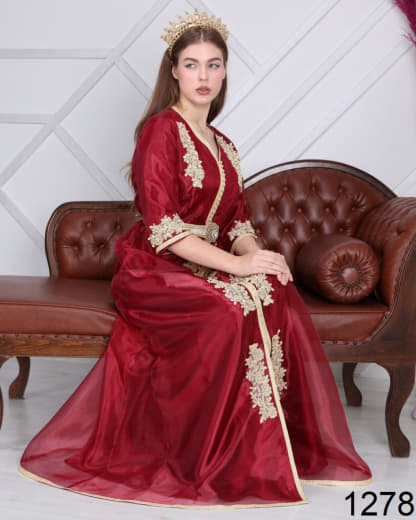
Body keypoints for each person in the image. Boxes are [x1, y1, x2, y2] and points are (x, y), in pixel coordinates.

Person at [19, 9, 371, 508]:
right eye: (191, 64)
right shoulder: (160, 131)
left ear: (224, 72)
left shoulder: (224, 145)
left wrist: (259, 257)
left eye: (213, 64)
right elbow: (163, 229)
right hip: (153, 268)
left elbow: (237, 224)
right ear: (174, 71)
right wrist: (238, 267)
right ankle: (200, 453)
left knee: (273, 290)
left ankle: (261, 446)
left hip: (204, 262)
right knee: (225, 310)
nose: (203, 76)